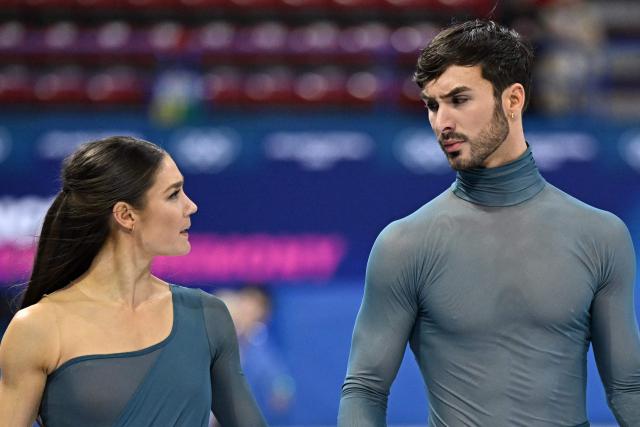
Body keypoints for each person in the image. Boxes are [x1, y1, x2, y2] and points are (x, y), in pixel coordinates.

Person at [338, 20, 640, 427]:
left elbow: (628, 388)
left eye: (459, 99)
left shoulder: (602, 237)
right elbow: (365, 388)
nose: (442, 122)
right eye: (432, 104)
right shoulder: (404, 245)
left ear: (513, 99)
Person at [0, 136, 267, 427]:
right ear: (126, 215)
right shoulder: (38, 328)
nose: (191, 206)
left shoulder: (208, 317)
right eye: (173, 194)